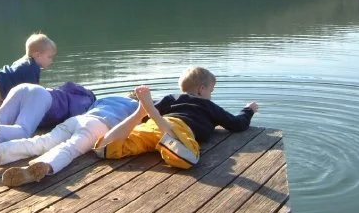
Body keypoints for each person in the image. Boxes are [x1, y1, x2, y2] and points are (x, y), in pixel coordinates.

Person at [93, 66, 258, 169]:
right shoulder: (207, 105)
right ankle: (163, 128)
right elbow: (237, 124)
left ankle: (141, 111)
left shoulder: (171, 98)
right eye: (211, 91)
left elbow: (146, 120)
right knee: (188, 158)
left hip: (152, 125)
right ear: (201, 90)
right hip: (178, 128)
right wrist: (248, 110)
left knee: (106, 150)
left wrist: (148, 112)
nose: (211, 96)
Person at [0, 95, 139, 184]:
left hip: (78, 119)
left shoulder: (106, 99)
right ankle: (42, 166)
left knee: (40, 141)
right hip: (99, 126)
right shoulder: (136, 106)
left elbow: (88, 107)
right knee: (69, 149)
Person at [0, 81, 96, 155]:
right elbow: (78, 122)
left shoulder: (67, 91)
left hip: (23, 88)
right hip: (41, 96)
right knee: (23, 130)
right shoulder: (86, 102)